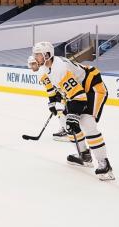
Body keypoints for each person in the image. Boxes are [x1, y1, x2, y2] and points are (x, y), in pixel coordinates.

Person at [32, 41, 113, 180]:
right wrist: (53, 102)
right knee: (65, 120)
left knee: (87, 123)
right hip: (78, 91)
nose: (35, 58)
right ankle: (84, 156)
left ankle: (104, 163)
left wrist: (74, 115)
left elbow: (78, 95)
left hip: (93, 88)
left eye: (38, 55)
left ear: (47, 55)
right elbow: (61, 89)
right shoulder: (47, 67)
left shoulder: (59, 68)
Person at [29, 53, 71, 142]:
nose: (32, 66)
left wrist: (52, 102)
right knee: (62, 110)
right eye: (31, 64)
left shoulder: (42, 72)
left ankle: (68, 132)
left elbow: (50, 89)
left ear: (38, 63)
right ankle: (65, 128)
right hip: (63, 90)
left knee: (60, 109)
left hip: (66, 91)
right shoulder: (45, 69)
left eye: (33, 63)